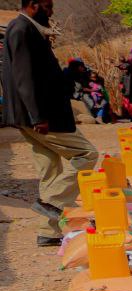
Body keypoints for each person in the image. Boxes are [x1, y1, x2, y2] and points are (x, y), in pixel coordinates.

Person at [1, 0, 99, 247]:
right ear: (33, 5)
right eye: (47, 6)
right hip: (41, 116)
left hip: (36, 115)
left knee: (50, 169)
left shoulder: (28, 29)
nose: (51, 11)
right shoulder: (21, 29)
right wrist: (38, 116)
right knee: (87, 154)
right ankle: (52, 201)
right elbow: (23, 77)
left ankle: (49, 232)